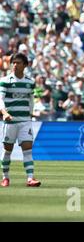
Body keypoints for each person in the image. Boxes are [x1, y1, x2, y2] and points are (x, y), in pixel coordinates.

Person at [0, 53, 41, 187]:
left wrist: (30, 114)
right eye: (14, 63)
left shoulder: (30, 83)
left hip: (25, 122)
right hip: (10, 122)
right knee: (7, 151)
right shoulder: (5, 81)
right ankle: (5, 177)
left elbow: (30, 99)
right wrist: (4, 113)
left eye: (18, 63)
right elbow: (0, 99)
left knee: (28, 150)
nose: (15, 65)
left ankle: (30, 178)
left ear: (25, 65)